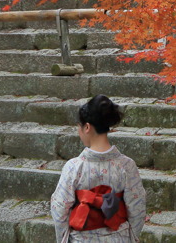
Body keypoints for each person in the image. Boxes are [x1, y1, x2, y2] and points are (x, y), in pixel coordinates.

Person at [51, 95, 146, 242]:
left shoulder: (74, 167)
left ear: (87, 127)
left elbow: (60, 209)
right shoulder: (126, 165)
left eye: (79, 126)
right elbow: (137, 208)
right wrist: (130, 237)